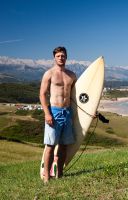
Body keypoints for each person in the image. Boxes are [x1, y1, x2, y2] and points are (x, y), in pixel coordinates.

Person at [40, 46, 77, 183]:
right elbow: (42, 94)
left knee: (64, 145)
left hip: (67, 112)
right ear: (54, 58)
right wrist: (47, 113)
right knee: (50, 145)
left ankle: (59, 173)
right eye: (58, 56)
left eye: (63, 55)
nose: (61, 58)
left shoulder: (72, 75)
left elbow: (76, 96)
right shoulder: (49, 74)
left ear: (66, 57)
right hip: (54, 112)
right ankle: (46, 177)